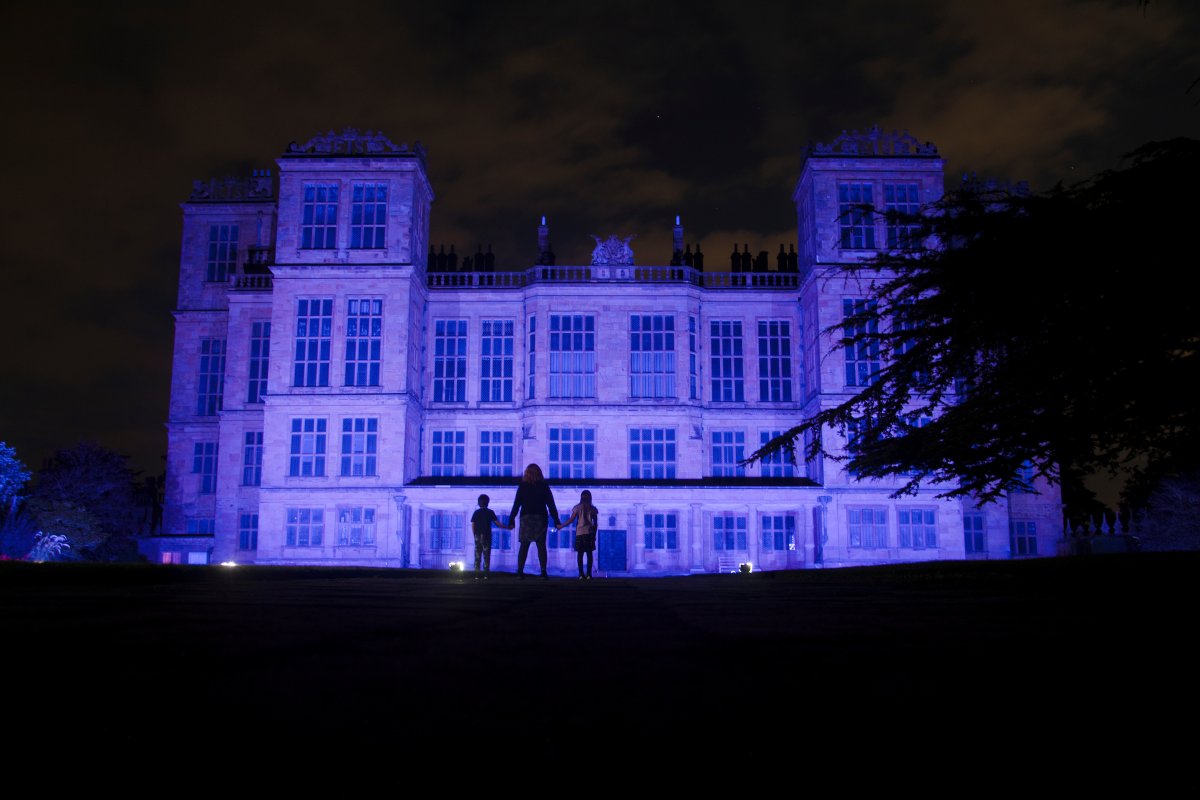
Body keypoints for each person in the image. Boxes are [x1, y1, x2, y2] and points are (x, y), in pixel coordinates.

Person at [509, 463, 562, 579]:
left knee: (524, 545)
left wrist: (511, 518)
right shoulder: (544, 486)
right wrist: (556, 519)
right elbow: (551, 504)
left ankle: (520, 571)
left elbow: (516, 504)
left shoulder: (523, 486)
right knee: (541, 545)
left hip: (526, 517)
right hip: (540, 517)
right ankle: (543, 571)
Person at [470, 494, 512, 580]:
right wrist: (507, 527)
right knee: (486, 555)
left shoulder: (476, 512)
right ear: (488, 502)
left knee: (477, 555)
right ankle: (486, 574)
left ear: (479, 503)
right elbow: (498, 524)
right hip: (487, 536)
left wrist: (474, 535)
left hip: (478, 535)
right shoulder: (490, 512)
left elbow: (473, 525)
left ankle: (476, 575)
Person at [559, 489, 598, 580]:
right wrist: (594, 534)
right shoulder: (593, 509)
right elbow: (595, 524)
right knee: (589, 554)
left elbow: (571, 520)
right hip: (589, 533)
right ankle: (588, 574)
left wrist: (562, 525)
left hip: (580, 533)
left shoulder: (577, 507)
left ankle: (581, 574)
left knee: (580, 554)